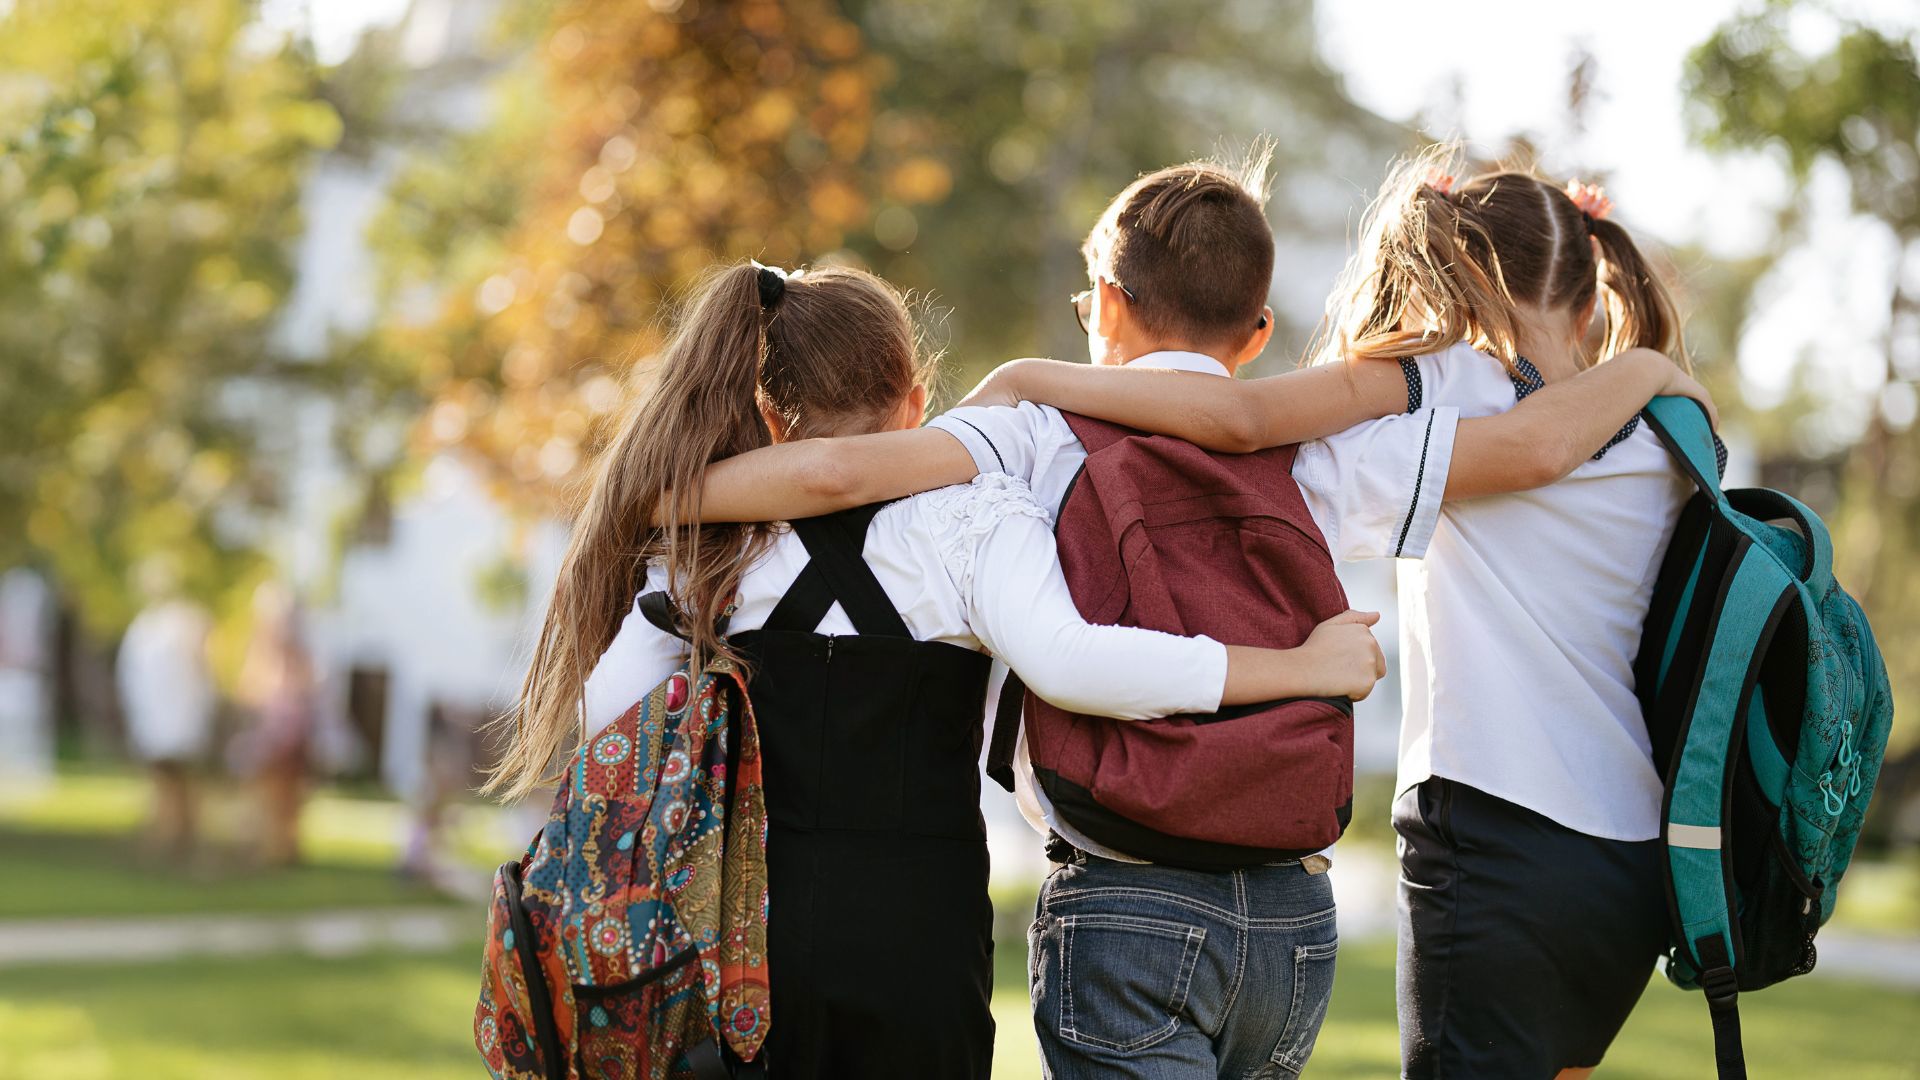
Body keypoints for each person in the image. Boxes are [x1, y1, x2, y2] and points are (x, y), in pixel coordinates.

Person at [686, 152, 1712, 1079]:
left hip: (1124, 891)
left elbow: (839, 472)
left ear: (1103, 303)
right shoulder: (1333, 455)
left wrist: (658, 494)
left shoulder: (1032, 432)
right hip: (1291, 915)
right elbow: (1508, 447)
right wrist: (1643, 369)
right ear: (1259, 331)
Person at [485, 260, 1388, 1080]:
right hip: (919, 940)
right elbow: (1075, 664)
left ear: (766, 413)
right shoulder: (976, 521)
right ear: (916, 402)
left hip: (745, 945)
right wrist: (1297, 666)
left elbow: (609, 710)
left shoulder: (706, 545)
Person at [116, 561, 218, 863]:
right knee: (163, 780)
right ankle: (166, 834)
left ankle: (182, 836)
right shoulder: (147, 627)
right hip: (158, 717)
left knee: (182, 780)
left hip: (179, 716)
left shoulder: (183, 623)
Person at [231, 581, 318, 867]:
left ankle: (286, 849)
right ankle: (269, 848)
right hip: (267, 736)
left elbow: (309, 692)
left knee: (289, 797)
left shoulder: (299, 657)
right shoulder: (260, 654)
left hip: (292, 737)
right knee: (266, 795)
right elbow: (247, 692)